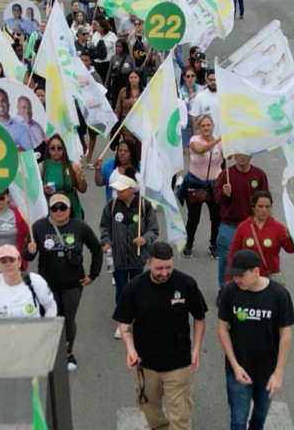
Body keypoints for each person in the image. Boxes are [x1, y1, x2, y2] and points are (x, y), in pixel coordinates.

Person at [113, 242, 207, 430]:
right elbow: (124, 323)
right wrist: (130, 349)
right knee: (148, 406)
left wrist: (196, 348)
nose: (164, 273)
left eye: (168, 267)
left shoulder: (186, 284)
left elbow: (199, 317)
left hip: (179, 364)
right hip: (146, 365)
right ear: (148, 263)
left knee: (181, 416)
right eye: (159, 268)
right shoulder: (134, 288)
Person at [23, 193, 103, 371]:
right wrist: (29, 250)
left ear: (69, 209)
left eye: (63, 207)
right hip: (47, 284)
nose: (59, 211)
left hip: (72, 284)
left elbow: (97, 249)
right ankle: (50, 350)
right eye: (54, 208)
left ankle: (68, 353)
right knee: (51, 318)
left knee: (68, 319)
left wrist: (93, 274)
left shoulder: (80, 227)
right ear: (50, 210)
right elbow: (27, 255)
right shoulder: (38, 227)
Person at [217, 249, 294, 430]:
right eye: (234, 275)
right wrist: (235, 366)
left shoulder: (279, 295)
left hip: (267, 372)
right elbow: (222, 328)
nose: (236, 279)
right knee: (237, 421)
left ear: (256, 272)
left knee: (259, 417)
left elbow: (286, 334)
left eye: (240, 275)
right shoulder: (230, 291)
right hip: (238, 371)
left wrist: (278, 373)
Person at [100, 175, 158, 337]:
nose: (117, 191)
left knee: (138, 289)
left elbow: (153, 229)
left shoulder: (144, 206)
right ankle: (123, 322)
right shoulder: (111, 206)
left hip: (138, 258)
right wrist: (106, 242)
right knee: (121, 290)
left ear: (131, 189)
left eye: (121, 189)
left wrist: (144, 239)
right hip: (117, 258)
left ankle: (137, 319)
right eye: (116, 188)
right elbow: (104, 227)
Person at [213, 154, 269, 292]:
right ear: (234, 155)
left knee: (252, 257)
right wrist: (224, 193)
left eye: (245, 154)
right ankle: (224, 289)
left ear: (251, 155)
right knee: (227, 258)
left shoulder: (259, 174)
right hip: (229, 224)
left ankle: (250, 286)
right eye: (238, 154)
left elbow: (265, 200)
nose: (242, 157)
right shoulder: (226, 174)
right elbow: (216, 197)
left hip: (252, 225)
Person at [226, 191, 294, 285]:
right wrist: (230, 280)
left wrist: (292, 238)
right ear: (253, 207)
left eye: (267, 207)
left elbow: (291, 249)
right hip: (248, 280)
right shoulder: (243, 227)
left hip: (270, 280)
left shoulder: (278, 228)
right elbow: (233, 254)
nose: (264, 210)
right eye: (260, 206)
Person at [0, 244, 57, 321]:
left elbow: (51, 306)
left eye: (12, 260)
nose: (8, 264)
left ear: (19, 262)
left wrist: (45, 330)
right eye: (3, 261)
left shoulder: (35, 280)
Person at [182, 115, 222, 259]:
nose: (206, 128)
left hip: (215, 185)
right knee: (193, 218)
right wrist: (217, 140)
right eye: (203, 126)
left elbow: (229, 157)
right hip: (195, 184)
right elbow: (200, 150)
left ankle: (214, 245)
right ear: (198, 128)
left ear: (213, 126)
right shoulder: (194, 141)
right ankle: (189, 244)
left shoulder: (220, 143)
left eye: (208, 125)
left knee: (216, 217)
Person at [41, 134, 88, 220]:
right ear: (48, 150)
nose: (56, 150)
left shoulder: (73, 166)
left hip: (71, 210)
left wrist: (80, 177)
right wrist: (42, 189)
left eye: (59, 148)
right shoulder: (41, 167)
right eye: (53, 148)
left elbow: (83, 189)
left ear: (63, 149)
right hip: (50, 210)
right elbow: (33, 191)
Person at [178, 67, 203, 152]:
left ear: (195, 77)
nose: (190, 78)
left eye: (192, 76)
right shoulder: (180, 91)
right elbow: (179, 105)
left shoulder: (201, 88)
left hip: (198, 123)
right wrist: (189, 98)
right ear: (184, 78)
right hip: (186, 125)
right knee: (186, 150)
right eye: (188, 76)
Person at [105, 39, 135, 106]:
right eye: (116, 46)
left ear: (124, 47)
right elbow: (109, 72)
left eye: (119, 46)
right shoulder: (113, 58)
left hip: (126, 82)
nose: (117, 48)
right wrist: (106, 84)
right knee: (115, 101)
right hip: (116, 83)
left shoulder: (130, 58)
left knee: (125, 101)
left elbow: (134, 71)